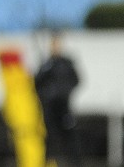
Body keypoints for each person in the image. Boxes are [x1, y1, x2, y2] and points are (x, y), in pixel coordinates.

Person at [33, 33, 81, 167]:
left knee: (70, 136)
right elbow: (37, 83)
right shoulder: (47, 64)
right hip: (49, 107)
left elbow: (76, 80)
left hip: (63, 105)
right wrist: (45, 95)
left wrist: (66, 92)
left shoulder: (66, 64)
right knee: (49, 136)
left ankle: (75, 163)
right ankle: (48, 163)